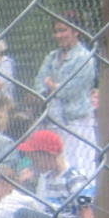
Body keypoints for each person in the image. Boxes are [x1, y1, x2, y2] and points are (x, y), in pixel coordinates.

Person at [33, 12, 97, 176]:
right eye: (56, 31)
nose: (58, 35)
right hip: (53, 120)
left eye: (63, 30)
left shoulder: (85, 57)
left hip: (77, 121)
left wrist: (53, 86)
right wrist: (53, 87)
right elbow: (39, 85)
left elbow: (72, 90)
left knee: (80, 166)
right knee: (54, 166)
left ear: (76, 31)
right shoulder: (52, 57)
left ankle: (84, 199)